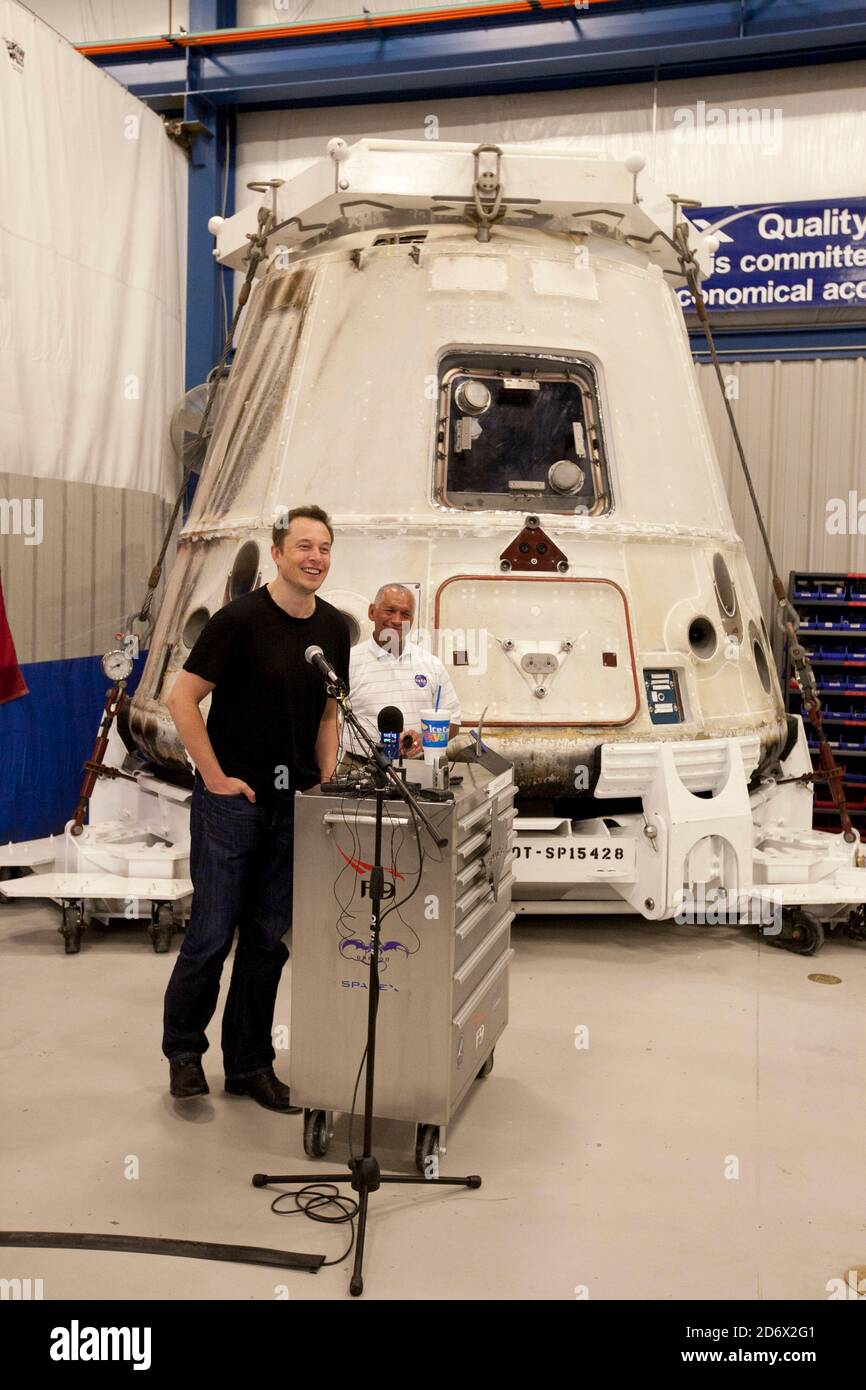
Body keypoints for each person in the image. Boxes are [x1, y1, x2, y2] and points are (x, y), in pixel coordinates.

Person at [162, 505, 349, 1111]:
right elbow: (181, 697)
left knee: (268, 941)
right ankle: (185, 1054)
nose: (314, 557)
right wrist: (213, 776)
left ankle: (248, 1064)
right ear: (277, 553)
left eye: (323, 547)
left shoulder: (334, 630)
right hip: (232, 806)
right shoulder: (238, 620)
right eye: (303, 546)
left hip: (293, 806)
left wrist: (325, 777)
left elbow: (327, 712)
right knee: (212, 936)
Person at [344, 583, 461, 765]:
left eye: (405, 614)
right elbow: (326, 721)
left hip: (417, 766)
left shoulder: (431, 664)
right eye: (390, 611)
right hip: (359, 767)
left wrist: (424, 739)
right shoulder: (347, 662)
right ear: (372, 612)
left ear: (412, 619)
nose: (397, 620)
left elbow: (453, 722)